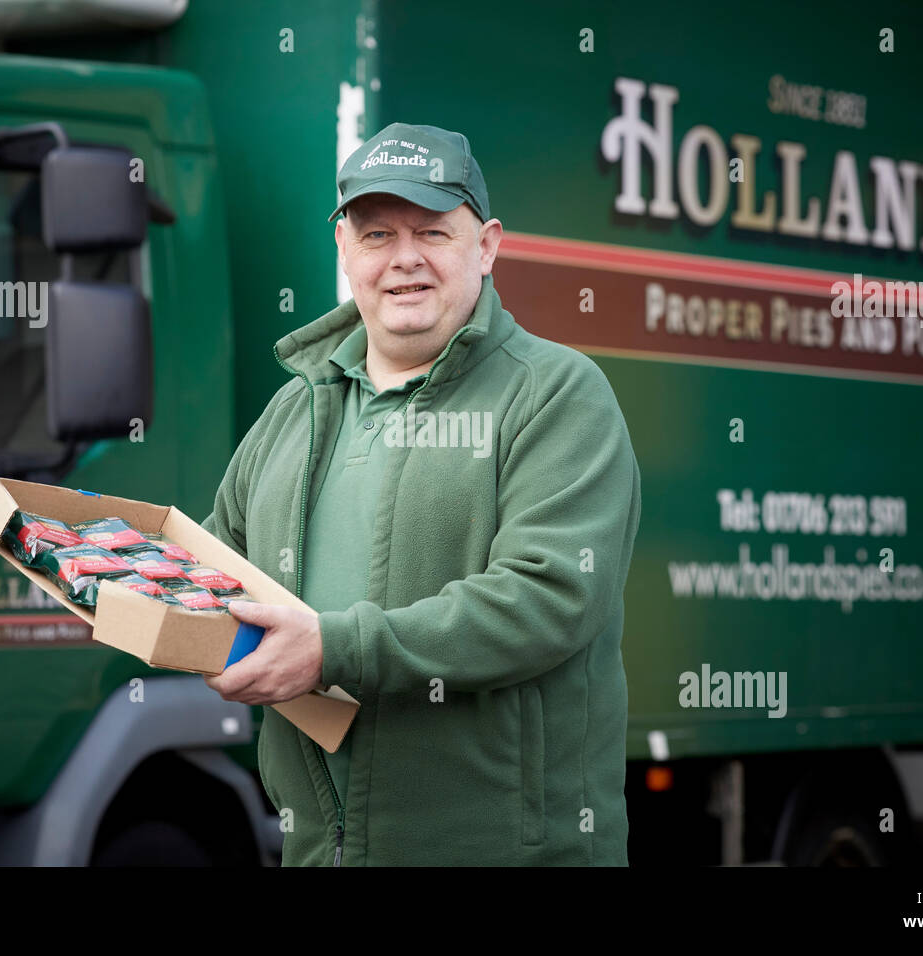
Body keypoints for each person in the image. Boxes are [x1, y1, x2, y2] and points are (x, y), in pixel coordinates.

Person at [201, 122, 641, 865]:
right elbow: (213, 570)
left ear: (488, 245)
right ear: (343, 248)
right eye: (376, 235)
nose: (404, 259)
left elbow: (549, 597)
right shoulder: (294, 411)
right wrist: (108, 586)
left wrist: (333, 650)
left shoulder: (558, 395)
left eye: (433, 232)